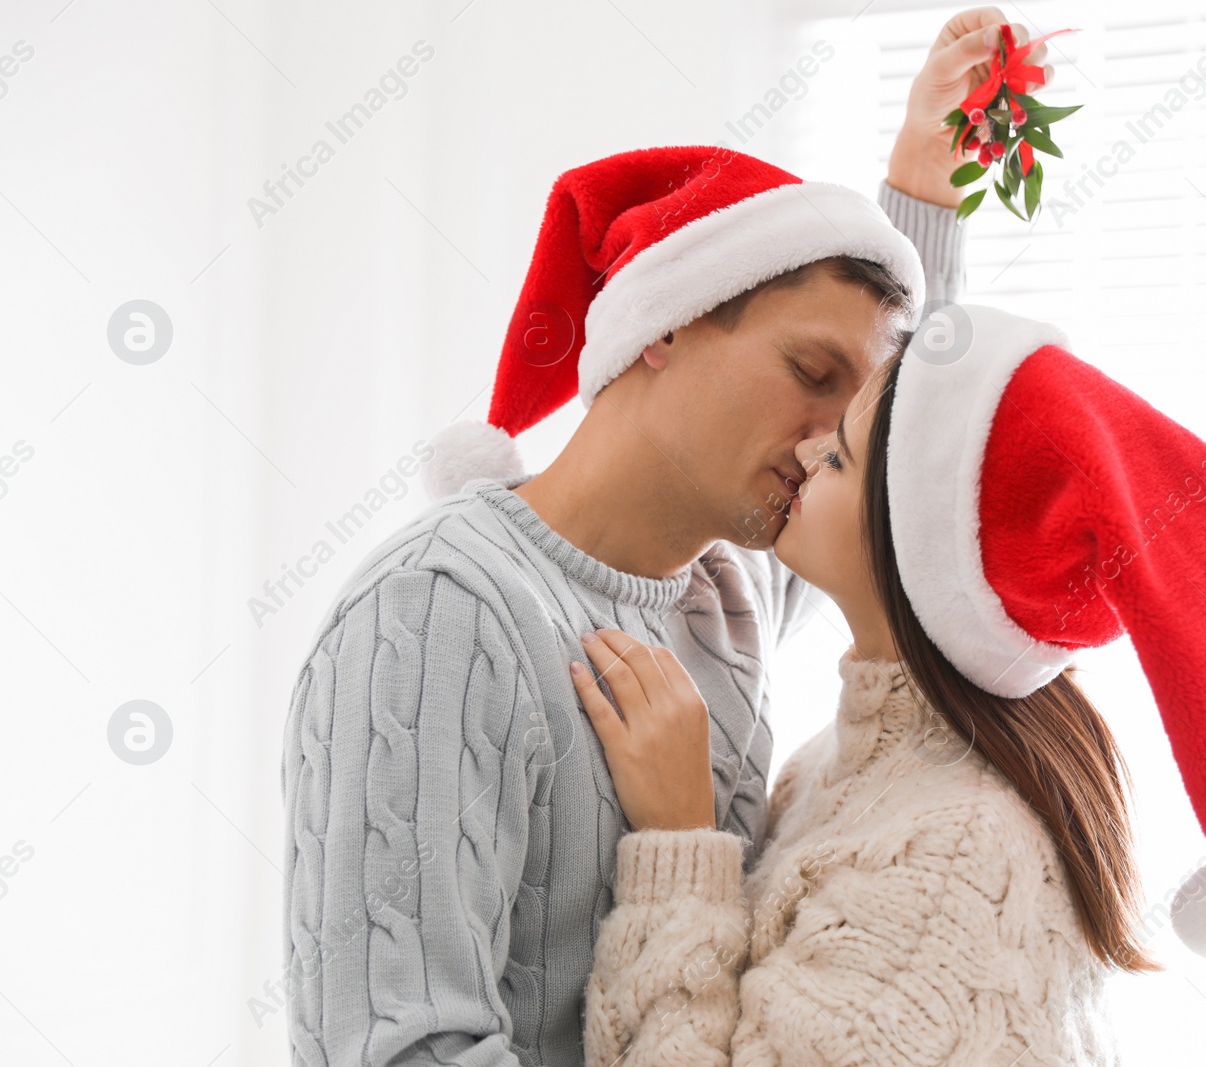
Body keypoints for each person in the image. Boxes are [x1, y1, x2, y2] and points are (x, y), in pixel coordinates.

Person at [279, 10, 1051, 1066]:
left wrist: (919, 192)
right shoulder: (438, 616)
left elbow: (890, 473)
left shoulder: (727, 583)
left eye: (854, 411)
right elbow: (401, 1047)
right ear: (666, 326)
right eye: (811, 375)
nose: (833, 440)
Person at [573, 305, 1206, 1066]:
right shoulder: (841, 761)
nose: (808, 444)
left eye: (841, 457)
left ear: (917, 544)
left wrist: (680, 842)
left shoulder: (956, 854)